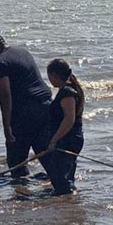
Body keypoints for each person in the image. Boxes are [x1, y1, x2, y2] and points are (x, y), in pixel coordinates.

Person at [0, 33, 53, 178]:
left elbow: (6, 95)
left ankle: (21, 192)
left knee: (15, 158)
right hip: (45, 106)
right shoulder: (21, 52)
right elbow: (18, 77)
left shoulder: (0, 63)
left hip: (25, 112)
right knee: (45, 151)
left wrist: (7, 126)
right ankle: (61, 185)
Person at [46, 59, 85, 195]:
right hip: (68, 139)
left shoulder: (67, 93)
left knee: (61, 178)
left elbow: (69, 119)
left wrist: (54, 140)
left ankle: (67, 201)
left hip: (67, 140)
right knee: (63, 175)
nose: (49, 80)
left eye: (49, 76)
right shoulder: (68, 90)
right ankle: (68, 198)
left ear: (55, 75)